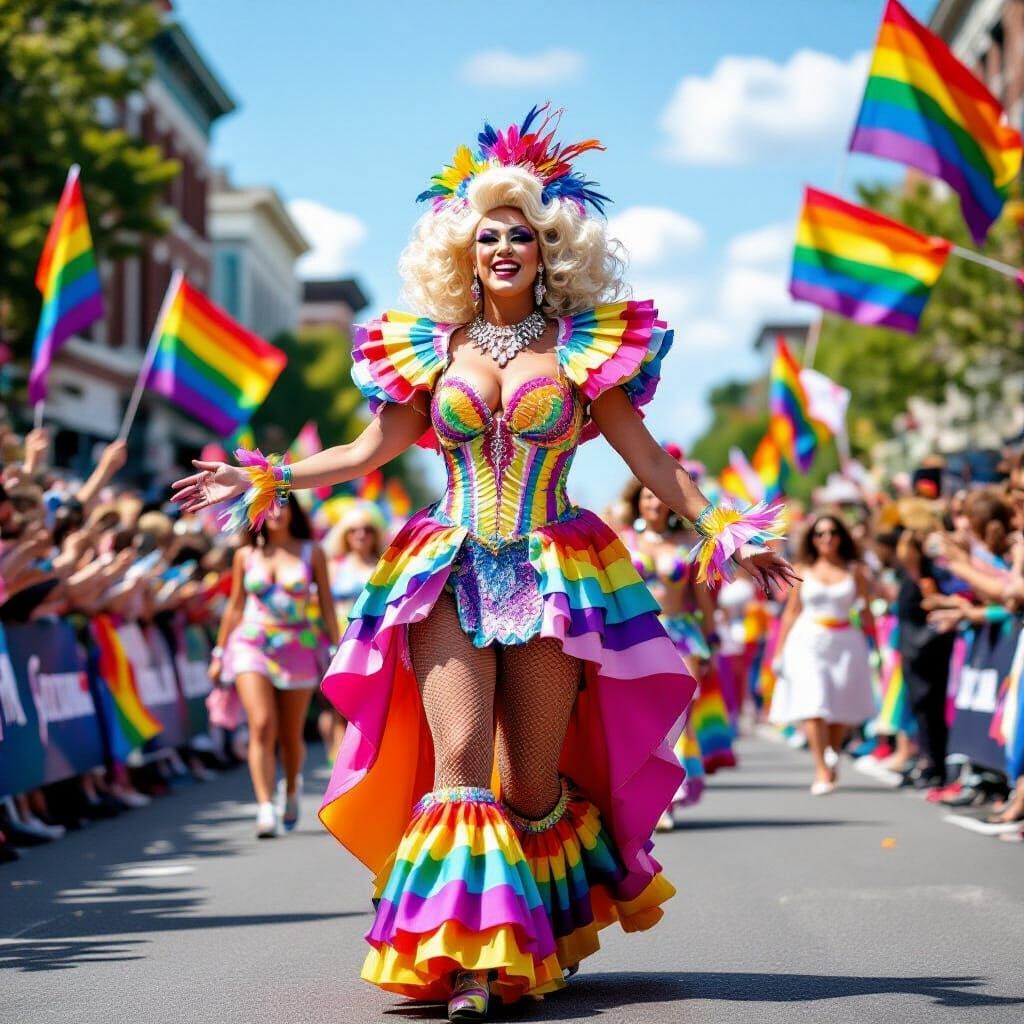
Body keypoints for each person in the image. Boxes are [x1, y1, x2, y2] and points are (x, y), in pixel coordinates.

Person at [173, 105, 795, 1020]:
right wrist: (262, 472)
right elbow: (359, 456)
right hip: (448, 568)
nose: (504, 247)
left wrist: (727, 529)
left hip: (553, 574)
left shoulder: (588, 350)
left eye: (524, 235)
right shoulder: (426, 350)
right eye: (488, 234)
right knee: (458, 762)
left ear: (549, 252)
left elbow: (651, 463)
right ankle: (468, 962)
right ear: (464, 251)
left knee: (530, 783)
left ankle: (543, 927)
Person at [210, 494, 339, 837]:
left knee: (290, 734)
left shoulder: (313, 552)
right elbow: (235, 607)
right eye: (269, 505)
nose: (277, 511)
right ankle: (265, 805)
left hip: (298, 645)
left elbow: (326, 605)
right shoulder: (245, 555)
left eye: (284, 504)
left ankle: (292, 789)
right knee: (262, 724)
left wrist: (338, 648)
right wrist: (219, 652)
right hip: (251, 644)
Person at [620, 478, 714, 827]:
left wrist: (711, 638)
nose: (655, 504)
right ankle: (648, 795)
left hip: (682, 634)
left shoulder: (690, 543)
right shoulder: (622, 541)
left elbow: (703, 599)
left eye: (660, 497)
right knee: (643, 718)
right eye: (648, 496)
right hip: (638, 635)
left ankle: (671, 795)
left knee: (678, 715)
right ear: (637, 502)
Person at [771, 513, 876, 795]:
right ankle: (821, 768)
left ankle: (832, 753)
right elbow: (791, 612)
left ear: (841, 537)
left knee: (837, 706)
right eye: (820, 534)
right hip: (808, 641)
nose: (826, 538)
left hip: (845, 641)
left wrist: (875, 646)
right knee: (814, 702)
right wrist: (778, 652)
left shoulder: (855, 571)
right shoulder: (802, 568)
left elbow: (865, 610)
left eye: (832, 533)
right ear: (812, 539)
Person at [318, 503, 386, 762]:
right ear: (344, 535)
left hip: (373, 640)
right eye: (354, 530)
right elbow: (321, 603)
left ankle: (366, 754)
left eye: (367, 530)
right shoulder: (335, 566)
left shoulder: (383, 564)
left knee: (368, 701)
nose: (361, 535)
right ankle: (338, 752)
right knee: (338, 699)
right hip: (341, 639)